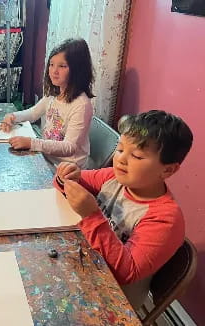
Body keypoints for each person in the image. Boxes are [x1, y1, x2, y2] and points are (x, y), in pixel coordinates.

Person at [55, 110, 193, 309]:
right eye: (120, 149)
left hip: (110, 300)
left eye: (136, 155)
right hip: (82, 266)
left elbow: (125, 272)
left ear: (168, 170)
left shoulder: (166, 219)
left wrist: (91, 215)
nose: (121, 159)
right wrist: (66, 177)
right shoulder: (113, 177)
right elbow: (69, 184)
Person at [0, 38, 94, 168]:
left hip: (68, 169)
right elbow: (33, 113)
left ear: (77, 70)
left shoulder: (82, 105)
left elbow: (69, 147)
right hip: (47, 157)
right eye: (51, 64)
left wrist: (32, 143)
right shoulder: (54, 94)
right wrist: (13, 116)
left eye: (62, 66)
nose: (54, 71)